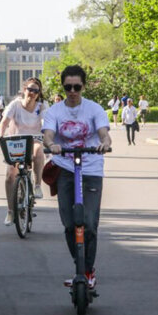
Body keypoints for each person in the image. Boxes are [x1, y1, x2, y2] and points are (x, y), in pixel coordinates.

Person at [42, 65, 112, 290]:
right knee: (70, 224)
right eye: (68, 86)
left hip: (91, 168)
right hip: (65, 168)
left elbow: (104, 133)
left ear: (83, 86)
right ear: (63, 86)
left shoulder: (94, 109)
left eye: (77, 86)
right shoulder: (54, 111)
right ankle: (79, 266)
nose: (72, 91)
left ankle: (88, 271)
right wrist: (52, 145)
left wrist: (105, 144)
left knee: (89, 223)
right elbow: (48, 135)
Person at [0, 78, 49, 225]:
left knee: (39, 151)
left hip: (35, 139)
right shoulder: (15, 105)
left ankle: (37, 186)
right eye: (30, 89)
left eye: (36, 91)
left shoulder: (42, 106)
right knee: (10, 176)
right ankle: (10, 212)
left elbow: (45, 122)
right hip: (16, 141)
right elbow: (4, 123)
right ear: (24, 90)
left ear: (39, 94)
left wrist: (48, 135)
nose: (32, 93)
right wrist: (0, 134)